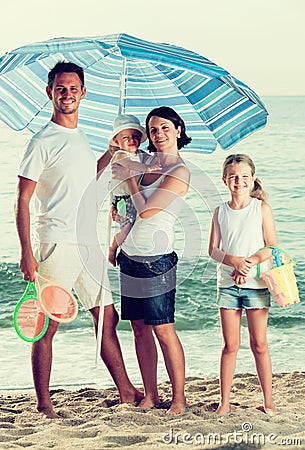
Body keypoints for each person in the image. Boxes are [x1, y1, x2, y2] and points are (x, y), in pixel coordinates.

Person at [14, 61, 143, 419]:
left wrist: (111, 153)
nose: (67, 94)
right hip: (56, 244)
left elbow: (87, 180)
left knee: (106, 316)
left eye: (73, 88)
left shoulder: (81, 137)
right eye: (60, 88)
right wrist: (27, 252)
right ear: (50, 93)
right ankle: (44, 403)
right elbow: (22, 199)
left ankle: (127, 391)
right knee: (47, 325)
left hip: (87, 244)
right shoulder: (42, 141)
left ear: (83, 93)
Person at [112, 106, 191, 415]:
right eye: (153, 129)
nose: (158, 134)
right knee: (139, 329)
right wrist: (115, 237)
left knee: (163, 329)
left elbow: (148, 211)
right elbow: (132, 213)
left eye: (164, 128)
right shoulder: (145, 163)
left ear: (179, 130)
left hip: (157, 262)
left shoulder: (180, 172)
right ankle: (151, 394)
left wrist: (131, 181)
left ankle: (179, 400)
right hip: (129, 257)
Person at [208, 153, 279, 416]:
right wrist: (233, 261)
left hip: (257, 285)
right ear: (225, 180)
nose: (239, 181)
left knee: (259, 343)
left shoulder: (261, 209)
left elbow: (271, 247)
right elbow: (213, 251)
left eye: (244, 177)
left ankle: (268, 400)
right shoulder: (220, 211)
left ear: (252, 179)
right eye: (233, 177)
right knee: (230, 346)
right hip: (227, 285)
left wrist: (246, 263)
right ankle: (224, 402)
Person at [98, 114, 161, 266]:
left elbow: (146, 161)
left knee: (133, 226)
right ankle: (113, 248)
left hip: (132, 196)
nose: (132, 141)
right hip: (122, 199)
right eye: (126, 138)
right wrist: (146, 168)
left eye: (135, 137)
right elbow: (131, 165)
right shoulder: (120, 155)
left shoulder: (140, 155)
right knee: (126, 229)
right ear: (116, 141)